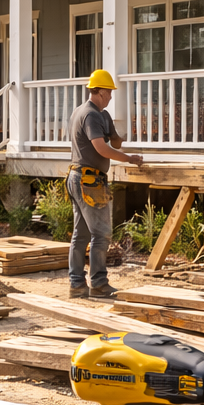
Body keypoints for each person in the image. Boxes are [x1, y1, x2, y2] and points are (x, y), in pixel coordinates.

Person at [67, 69, 142, 299]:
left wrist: (119, 136)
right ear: (98, 91)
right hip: (88, 180)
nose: (111, 96)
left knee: (80, 235)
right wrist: (130, 158)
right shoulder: (90, 115)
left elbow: (114, 141)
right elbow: (101, 148)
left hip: (78, 177)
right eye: (108, 92)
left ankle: (77, 285)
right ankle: (98, 283)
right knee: (101, 234)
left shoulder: (93, 113)